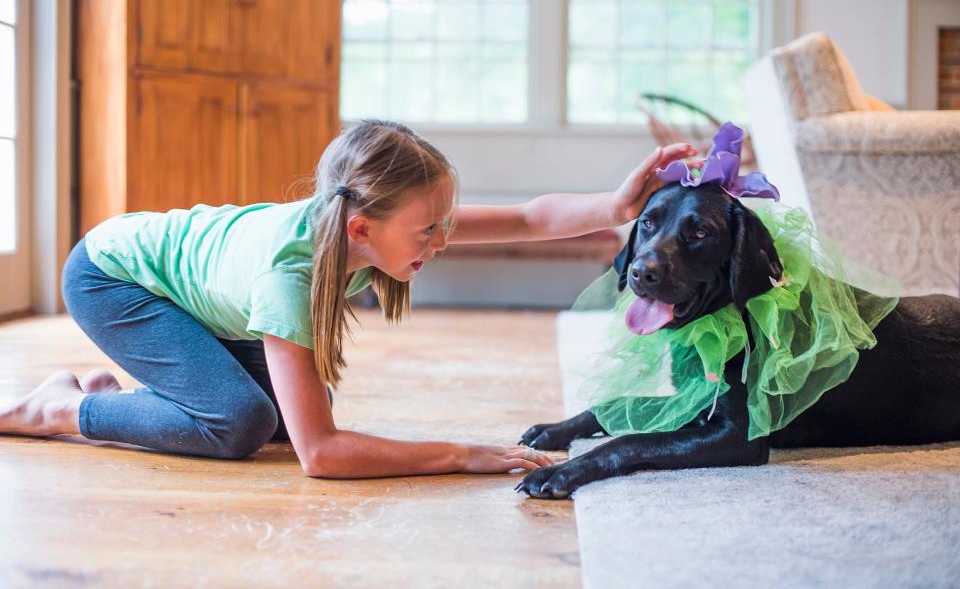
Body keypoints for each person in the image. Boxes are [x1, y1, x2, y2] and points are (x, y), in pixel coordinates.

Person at [0, 119, 695, 479]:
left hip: (177, 290)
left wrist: (615, 202)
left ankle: (107, 396)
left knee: (289, 412)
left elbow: (525, 218)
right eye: (428, 229)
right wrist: (459, 453)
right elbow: (323, 455)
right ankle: (62, 407)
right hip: (110, 276)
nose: (441, 240)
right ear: (362, 227)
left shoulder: (363, 225)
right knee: (242, 422)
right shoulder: (291, 277)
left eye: (443, 223)